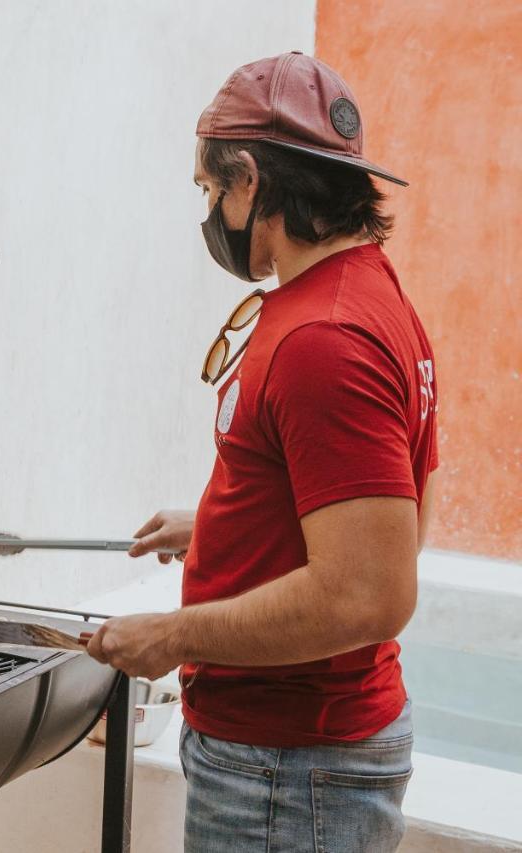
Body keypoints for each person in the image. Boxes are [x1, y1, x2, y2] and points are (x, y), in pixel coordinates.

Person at [86, 52, 439, 853]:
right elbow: (394, 511)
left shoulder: (326, 339)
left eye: (211, 192)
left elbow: (371, 591)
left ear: (249, 180)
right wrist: (219, 522)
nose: (211, 212)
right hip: (294, 761)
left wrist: (173, 635)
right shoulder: (367, 294)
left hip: (287, 771)